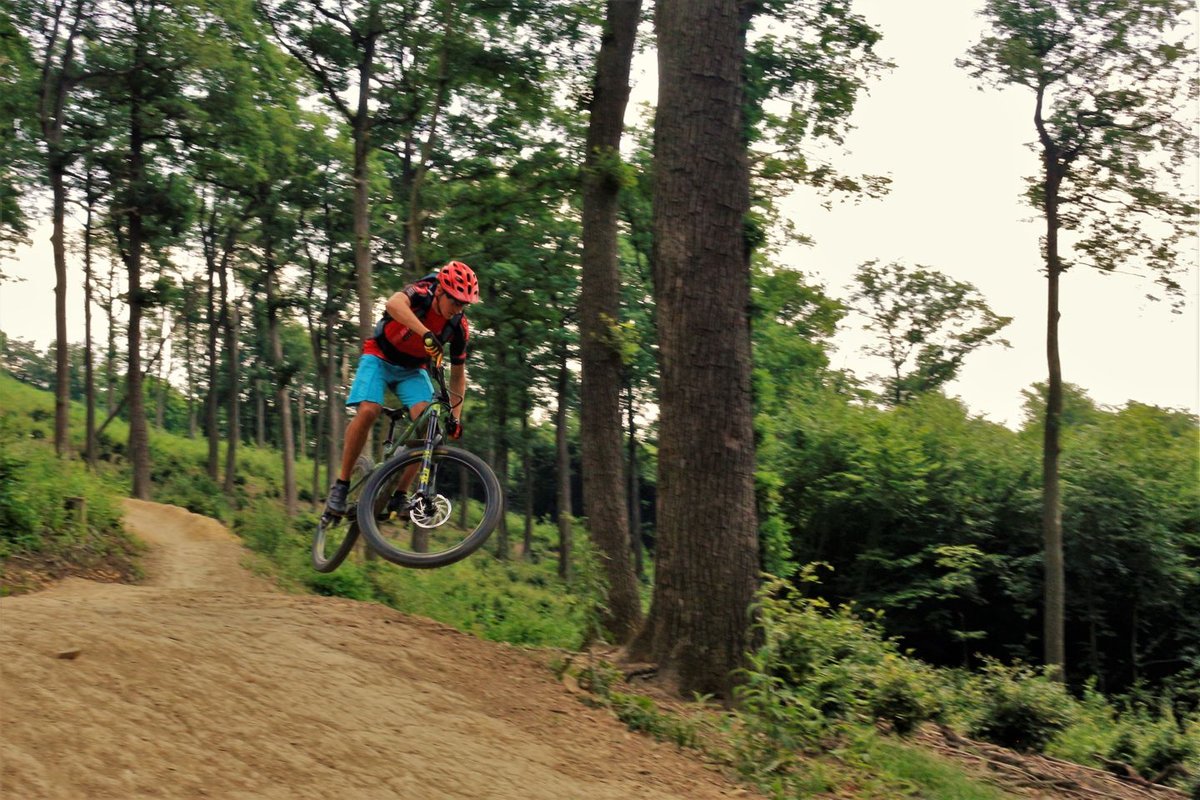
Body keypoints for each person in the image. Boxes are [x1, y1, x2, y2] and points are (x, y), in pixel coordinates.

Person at [324, 260, 480, 518]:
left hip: (412, 369)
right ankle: (341, 485)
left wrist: (456, 416)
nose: (458, 309)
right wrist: (425, 333)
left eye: (464, 304)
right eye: (455, 301)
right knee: (369, 410)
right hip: (379, 356)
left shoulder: (459, 327)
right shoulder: (421, 292)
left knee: (430, 426)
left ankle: (400, 495)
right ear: (440, 291)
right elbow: (392, 304)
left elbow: (458, 376)